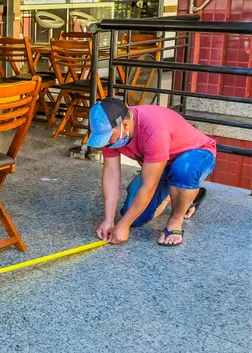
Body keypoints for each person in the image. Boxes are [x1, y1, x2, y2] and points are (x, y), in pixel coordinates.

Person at [88, 98, 216, 246]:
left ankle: (176, 219)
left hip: (198, 154)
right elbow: (111, 176)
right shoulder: (111, 134)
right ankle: (178, 194)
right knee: (134, 218)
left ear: (125, 125)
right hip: (159, 165)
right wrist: (109, 220)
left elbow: (148, 186)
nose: (106, 143)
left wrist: (123, 226)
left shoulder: (154, 130)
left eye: (108, 138)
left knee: (183, 170)